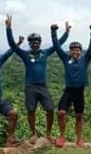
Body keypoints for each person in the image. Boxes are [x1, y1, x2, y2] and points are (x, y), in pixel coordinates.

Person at [5, 15, 67, 143]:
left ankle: (48, 134)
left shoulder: (45, 53)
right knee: (31, 110)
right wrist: (9, 29)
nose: (34, 44)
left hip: (43, 86)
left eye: (36, 42)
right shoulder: (25, 54)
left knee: (50, 109)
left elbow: (58, 44)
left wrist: (66, 32)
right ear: (29, 43)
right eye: (32, 42)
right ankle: (33, 134)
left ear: (40, 42)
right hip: (30, 86)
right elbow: (12, 45)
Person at [51, 22, 91, 148]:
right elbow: (56, 47)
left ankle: (79, 139)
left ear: (80, 51)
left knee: (79, 116)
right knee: (61, 113)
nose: (75, 51)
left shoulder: (85, 59)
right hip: (68, 91)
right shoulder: (66, 58)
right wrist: (53, 32)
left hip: (79, 92)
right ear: (70, 51)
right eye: (73, 50)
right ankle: (62, 136)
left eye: (77, 50)